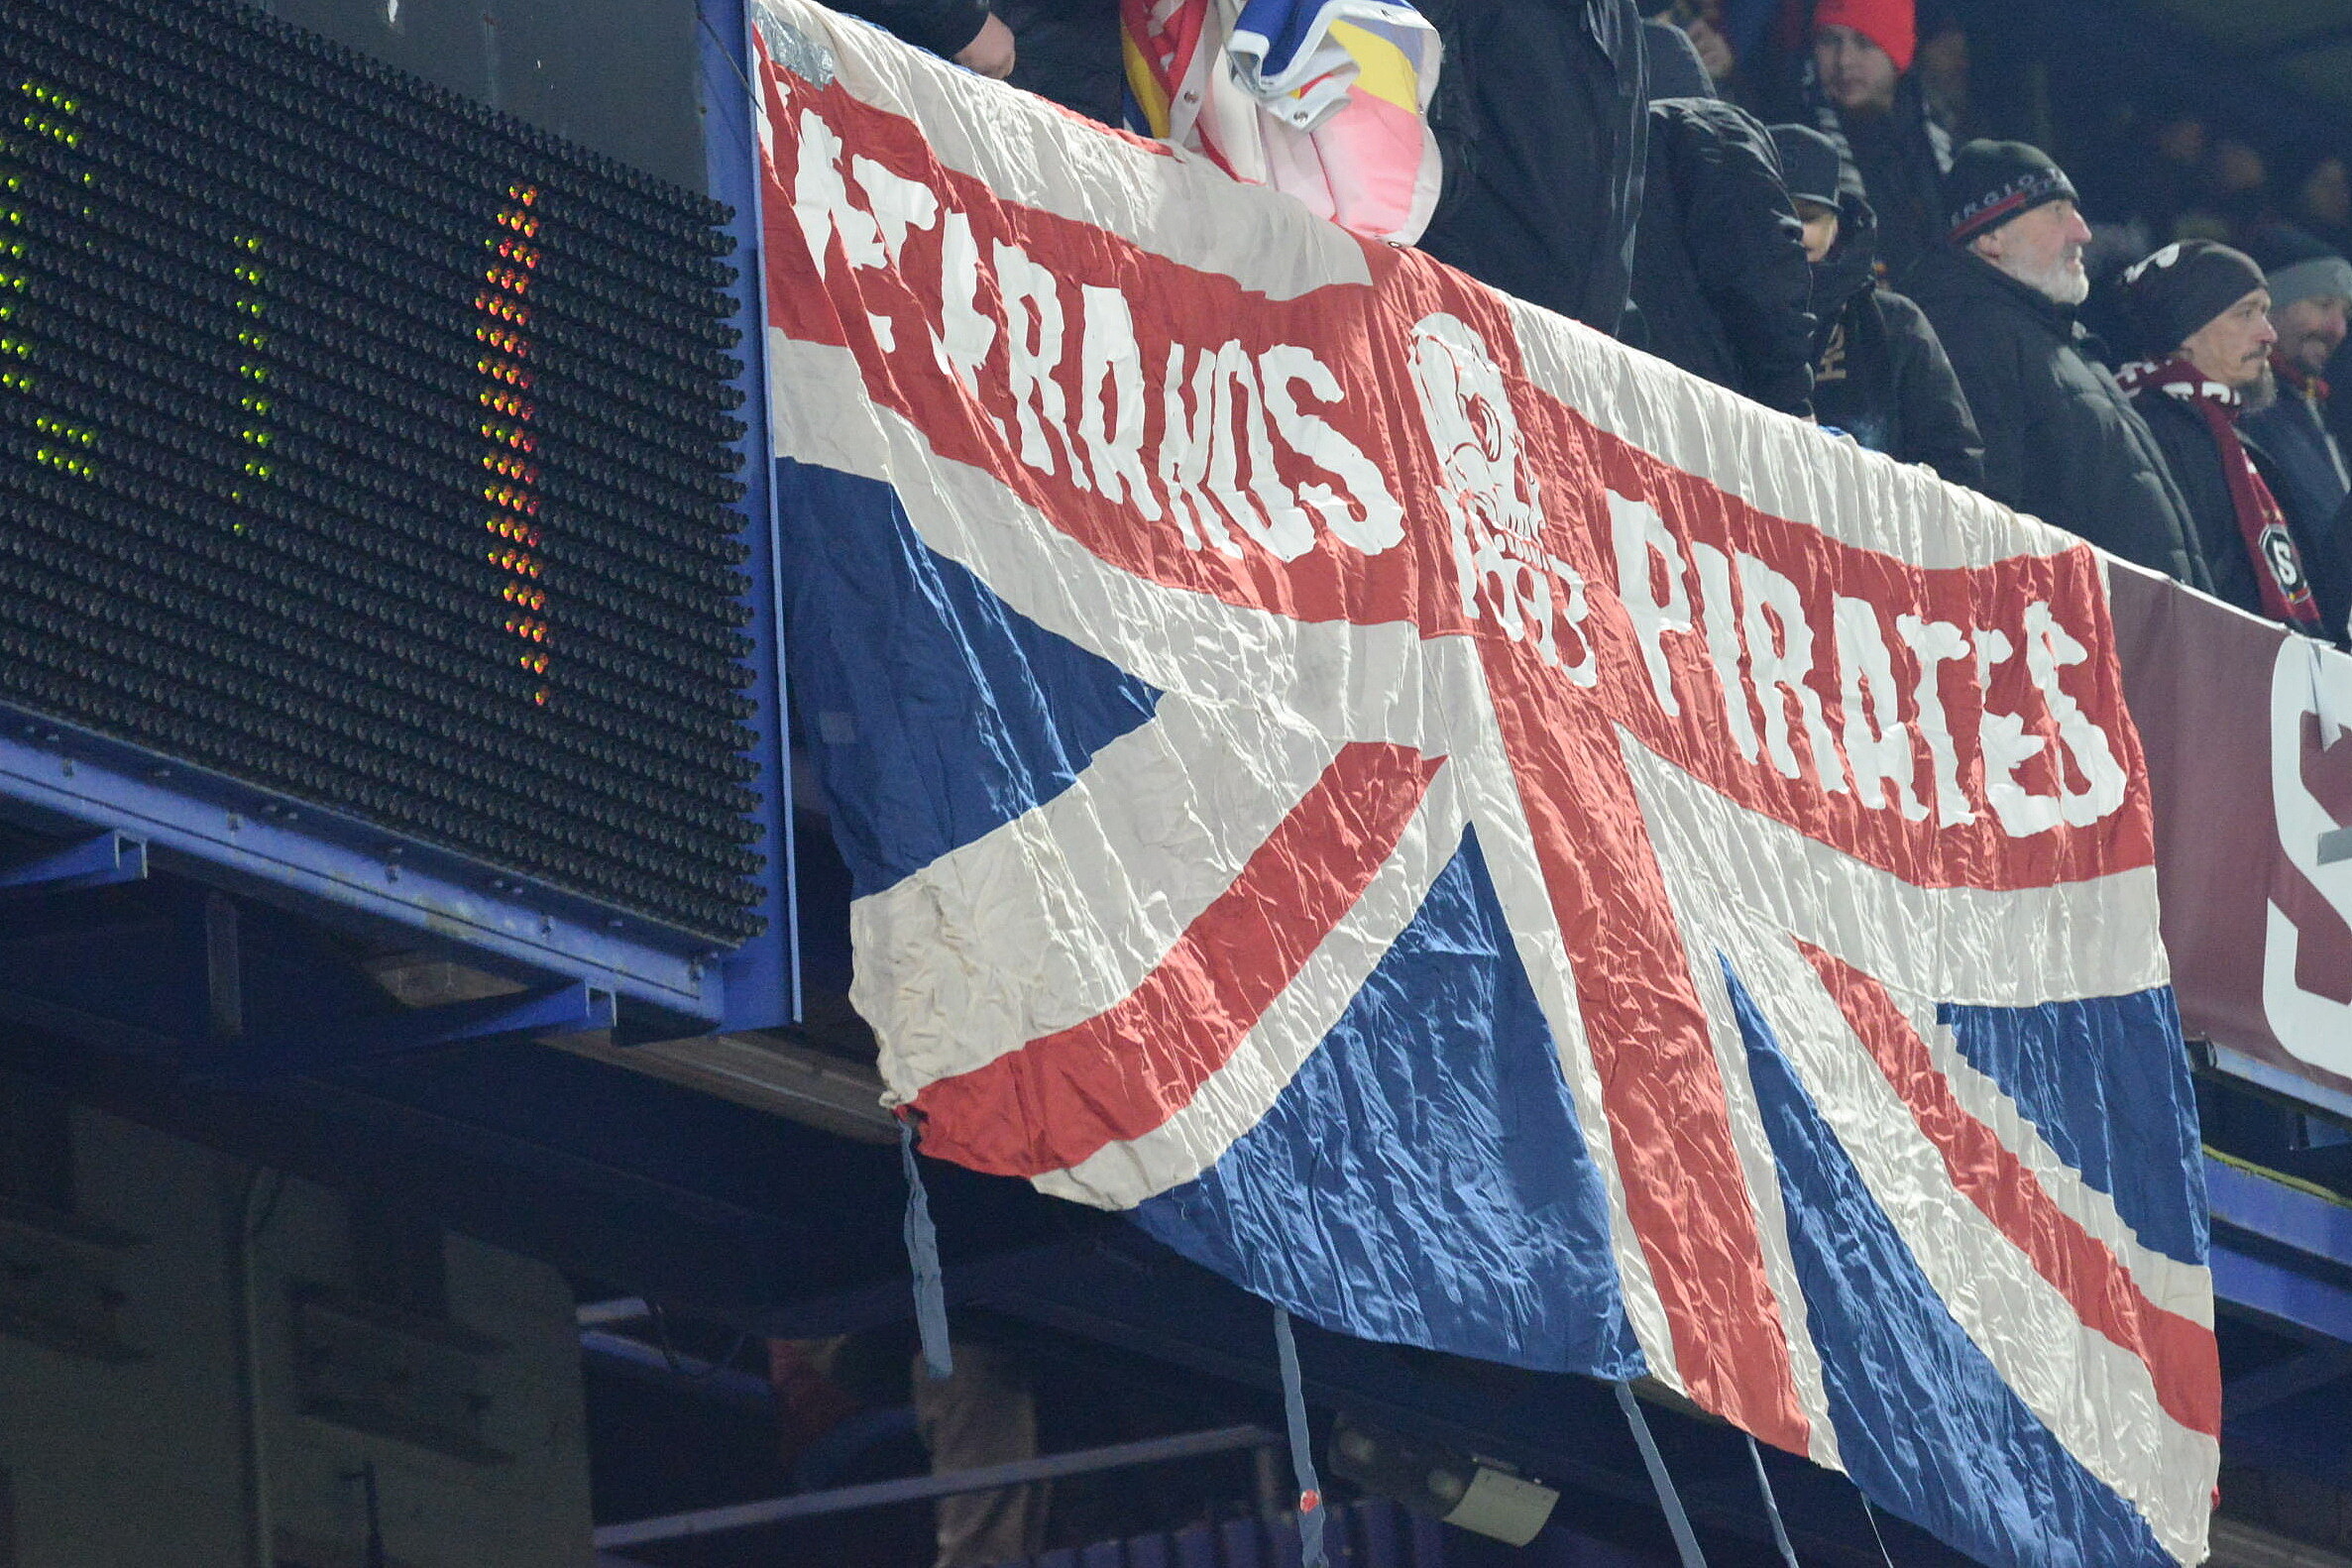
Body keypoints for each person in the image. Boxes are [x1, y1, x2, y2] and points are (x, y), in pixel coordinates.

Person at [1905, 140, 2207, 589]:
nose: (2083, 232)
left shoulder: (2062, 341)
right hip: (2071, 622)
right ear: (1990, 237)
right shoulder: (1971, 332)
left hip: (2136, 619)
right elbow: (1985, 517)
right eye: (2056, 213)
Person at [2116, 241, 2325, 635]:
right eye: (2245, 314)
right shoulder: (2151, 430)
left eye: (2265, 312)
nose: (2268, 334)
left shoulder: (2225, 434)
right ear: (2184, 333)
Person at [1415, 0, 1652, 334]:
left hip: (1575, 340)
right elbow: (1422, 159)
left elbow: (1618, 202)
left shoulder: (1620, 16)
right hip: (1459, 321)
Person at [1770, 121, 1981, 484]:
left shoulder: (1893, 322)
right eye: (1777, 213)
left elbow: (1955, 467)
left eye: (1808, 217)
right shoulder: (1711, 312)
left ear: (1836, 225)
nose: (1793, 231)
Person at [1625, 22, 1815, 415]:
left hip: (1618, 403)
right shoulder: (1711, 129)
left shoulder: (1590, 153)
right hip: (1715, 411)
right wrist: (1792, 402)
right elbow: (1761, 272)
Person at [1803, 0, 1951, 279]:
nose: (1844, 61)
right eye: (1830, 41)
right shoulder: (1799, 142)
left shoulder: (1942, 138)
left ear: (1897, 53)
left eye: (1864, 43)